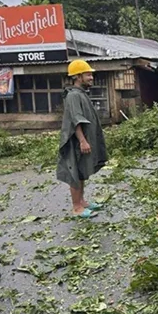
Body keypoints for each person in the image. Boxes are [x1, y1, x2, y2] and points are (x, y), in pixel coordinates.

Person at [56, 59, 108, 218]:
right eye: (88, 74)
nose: (91, 77)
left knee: (83, 169)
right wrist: (83, 140)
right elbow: (76, 119)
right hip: (77, 141)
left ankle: (82, 201)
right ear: (78, 77)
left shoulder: (81, 94)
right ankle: (77, 207)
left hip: (83, 140)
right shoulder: (73, 96)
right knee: (75, 172)